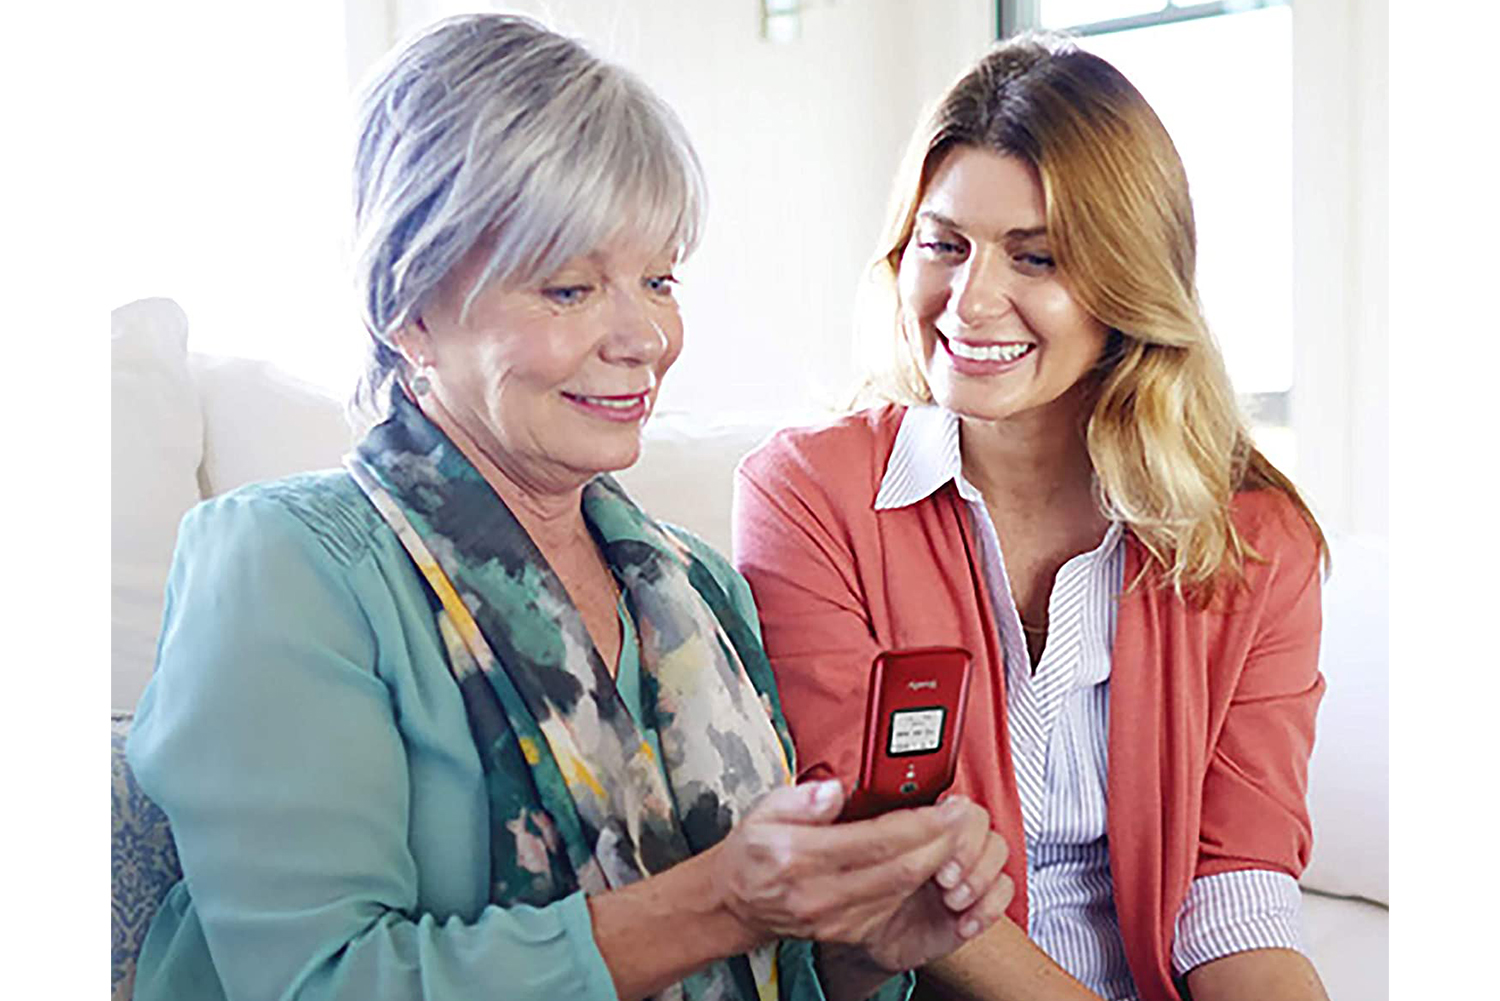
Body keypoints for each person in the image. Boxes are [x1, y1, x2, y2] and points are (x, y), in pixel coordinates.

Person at [125, 14, 1016, 1001]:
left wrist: (870, 946)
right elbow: (319, 982)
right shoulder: (283, 566)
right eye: (568, 288)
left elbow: (782, 972)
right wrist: (719, 900)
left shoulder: (698, 586)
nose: (642, 337)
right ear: (408, 309)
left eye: (658, 279)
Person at [733, 33, 1331, 1001]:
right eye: (944, 244)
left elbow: (1238, 892)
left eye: (1037, 256)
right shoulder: (809, 496)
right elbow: (873, 855)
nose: (971, 301)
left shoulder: (1256, 543)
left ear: (1128, 284)